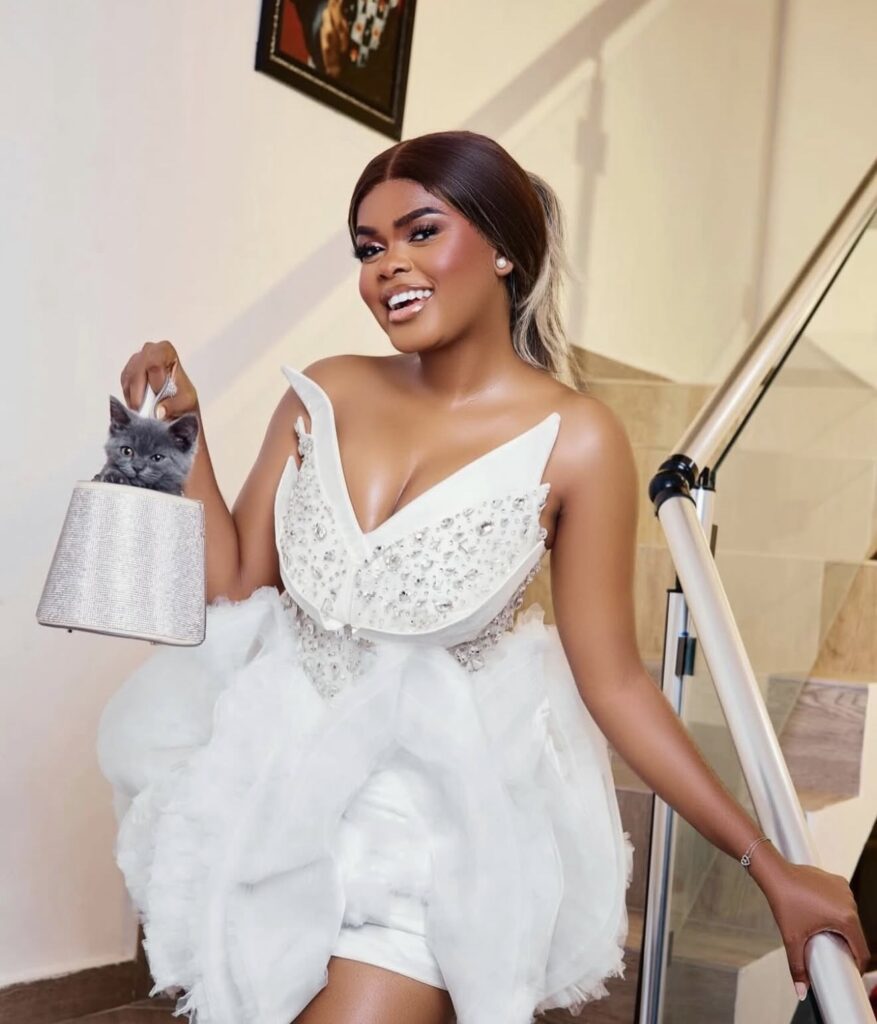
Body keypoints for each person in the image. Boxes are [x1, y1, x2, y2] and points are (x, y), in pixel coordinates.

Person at [96, 129, 870, 1024]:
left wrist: (765, 865)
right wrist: (176, 434)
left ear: (504, 248)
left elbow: (617, 685)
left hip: (421, 838)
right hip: (266, 803)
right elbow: (236, 590)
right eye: (369, 247)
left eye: (421, 232)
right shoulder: (327, 390)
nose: (388, 266)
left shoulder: (576, 440)